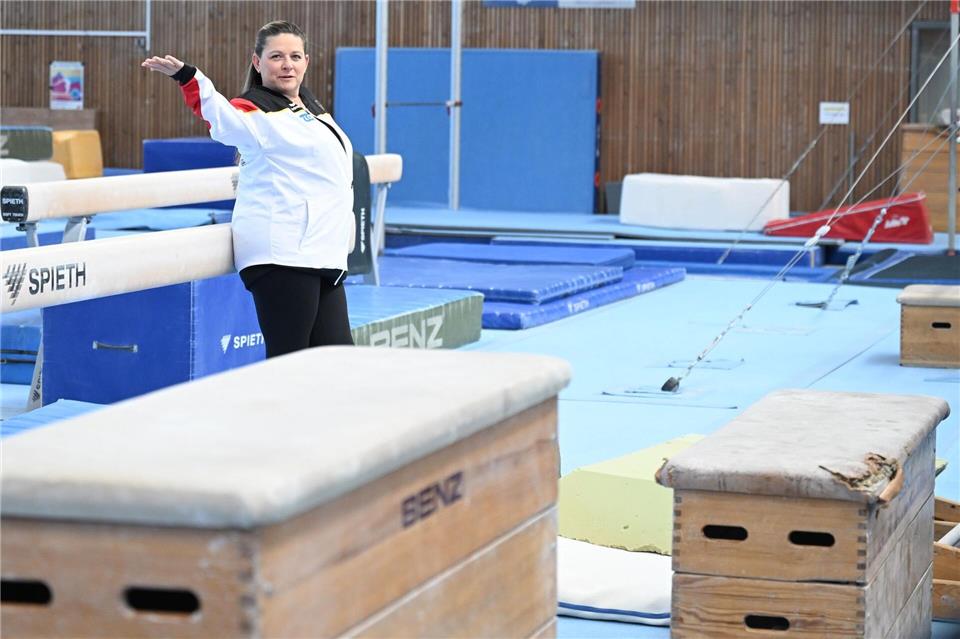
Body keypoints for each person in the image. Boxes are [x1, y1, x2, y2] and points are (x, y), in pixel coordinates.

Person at [142, 20, 355, 358]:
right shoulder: (254, 111)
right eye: (277, 57)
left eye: (295, 56)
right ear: (257, 63)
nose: (287, 64)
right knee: (289, 362)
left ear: (307, 62)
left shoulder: (311, 110)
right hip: (284, 254)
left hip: (323, 252)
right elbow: (222, 118)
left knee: (336, 363)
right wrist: (188, 77)